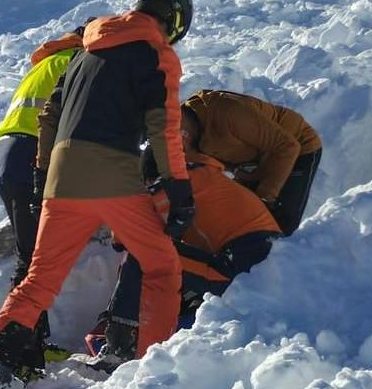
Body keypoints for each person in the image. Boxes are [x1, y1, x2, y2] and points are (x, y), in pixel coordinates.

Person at [0, 0, 196, 389]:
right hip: (111, 171)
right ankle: (152, 371)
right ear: (174, 22)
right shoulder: (156, 52)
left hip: (62, 176)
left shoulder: (87, 49)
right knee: (161, 265)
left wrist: (42, 175)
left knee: (39, 279)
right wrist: (178, 189)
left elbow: (50, 115)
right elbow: (163, 126)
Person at [86, 151, 280, 368]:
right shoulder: (201, 176)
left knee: (143, 254)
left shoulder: (174, 187)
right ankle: (135, 333)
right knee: (164, 258)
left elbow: (121, 239)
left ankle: (118, 348)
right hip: (255, 265)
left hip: (238, 267)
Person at [0, 27, 85, 342]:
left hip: (6, 154)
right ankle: (15, 345)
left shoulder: (50, 60)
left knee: (28, 255)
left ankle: (31, 341)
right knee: (35, 264)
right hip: (32, 152)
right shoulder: (79, 58)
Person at [180, 88, 321, 235]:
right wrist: (236, 171)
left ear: (184, 132)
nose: (181, 152)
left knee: (279, 223)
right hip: (257, 159)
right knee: (242, 219)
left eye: (180, 145)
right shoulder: (187, 137)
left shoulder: (229, 113)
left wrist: (265, 197)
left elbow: (288, 147)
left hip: (296, 148)